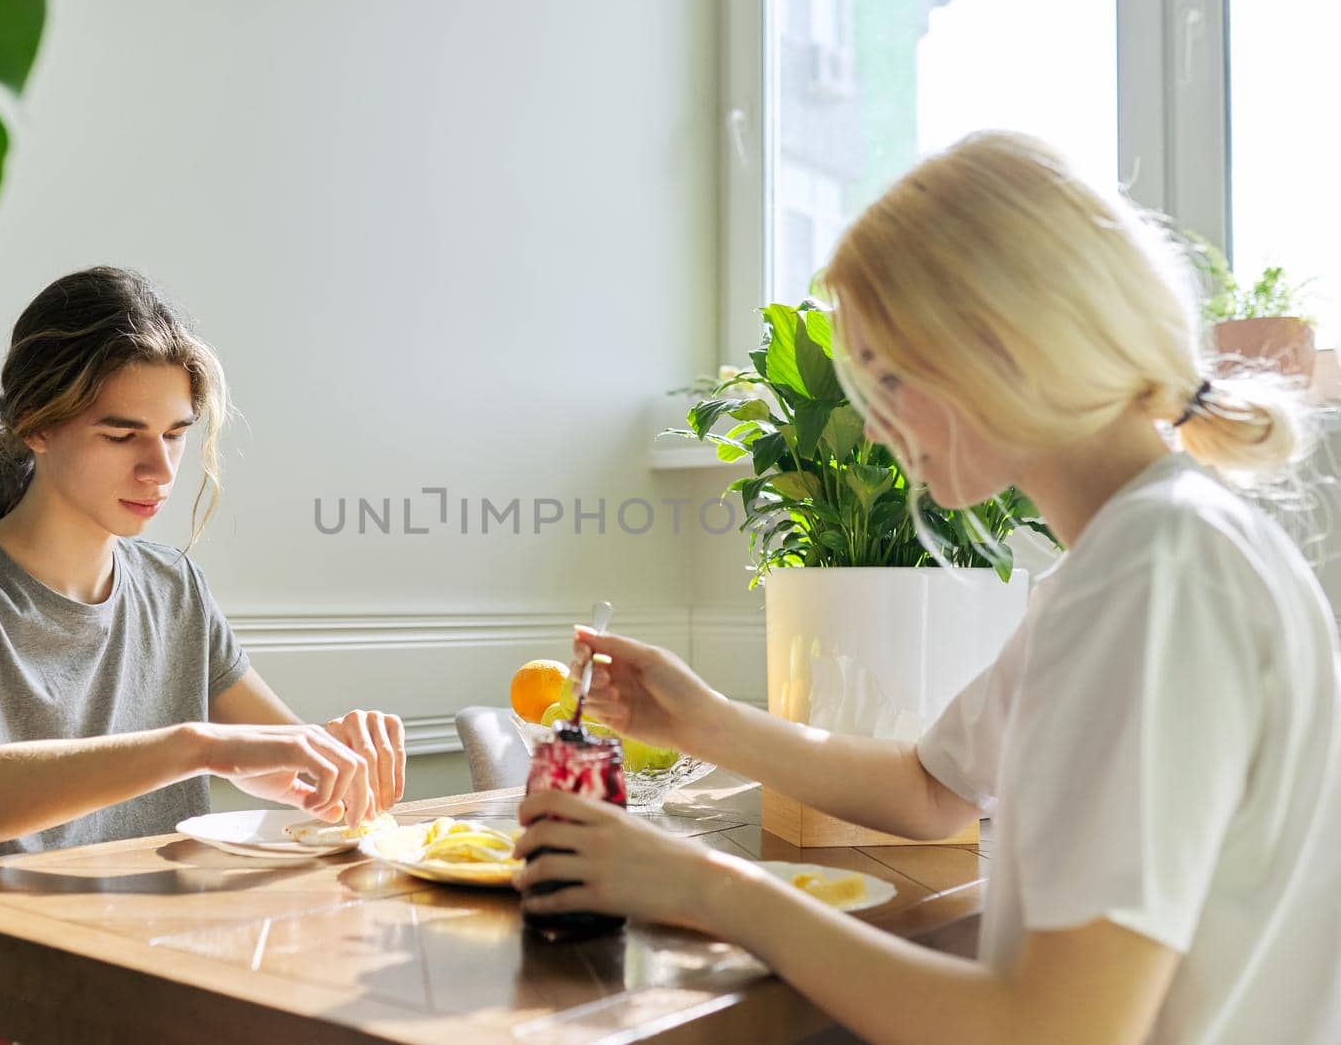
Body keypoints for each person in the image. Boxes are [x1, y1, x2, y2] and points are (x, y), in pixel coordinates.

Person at [514, 131, 1341, 1044]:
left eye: (886, 374)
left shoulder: (1152, 576)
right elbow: (929, 789)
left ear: (1001, 349)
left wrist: (707, 886)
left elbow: (1053, 1032)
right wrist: (699, 718)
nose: (873, 419)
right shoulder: (1141, 553)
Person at [0, 266, 408, 1044]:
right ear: (35, 425)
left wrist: (334, 761)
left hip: (152, 971)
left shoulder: (175, 588)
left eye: (176, 434)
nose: (161, 470)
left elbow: (279, 764)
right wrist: (194, 746)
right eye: (122, 434)